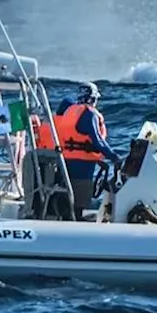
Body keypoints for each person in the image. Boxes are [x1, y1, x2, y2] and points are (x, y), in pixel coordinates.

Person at [54, 83, 121, 217]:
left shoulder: (69, 111)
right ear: (91, 99)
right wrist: (115, 158)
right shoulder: (89, 114)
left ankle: (67, 218)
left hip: (67, 160)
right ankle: (76, 223)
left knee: (69, 194)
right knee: (81, 199)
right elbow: (98, 141)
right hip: (82, 164)